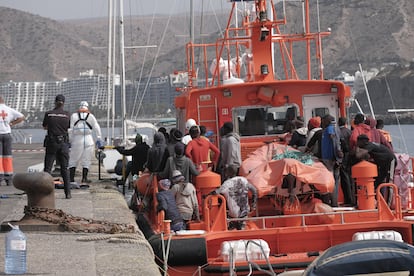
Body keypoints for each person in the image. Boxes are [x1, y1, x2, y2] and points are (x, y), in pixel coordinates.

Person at [42, 94, 71, 198]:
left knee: (48, 169)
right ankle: (68, 193)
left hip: (52, 142)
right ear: (64, 103)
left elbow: (45, 126)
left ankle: (45, 193)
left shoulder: (49, 114)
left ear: (55, 102)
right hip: (63, 143)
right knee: (65, 168)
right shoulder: (67, 114)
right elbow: (68, 127)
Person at [68, 101, 103, 184]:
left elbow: (70, 129)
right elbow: (97, 127)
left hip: (77, 139)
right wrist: (99, 138)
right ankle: (84, 178)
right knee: (86, 159)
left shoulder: (74, 116)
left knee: (73, 159)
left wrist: (70, 141)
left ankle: (71, 179)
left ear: (79, 107)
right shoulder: (91, 116)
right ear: (87, 107)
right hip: (88, 139)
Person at [213, 165, 258, 230]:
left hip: (233, 214)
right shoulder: (243, 180)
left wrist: (207, 195)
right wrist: (253, 205)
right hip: (244, 212)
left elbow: (216, 192)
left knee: (231, 231)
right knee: (243, 231)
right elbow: (254, 191)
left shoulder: (227, 184)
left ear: (228, 172)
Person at [0, 96, 25, 185]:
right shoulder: (8, 109)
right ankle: (8, 178)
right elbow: (22, 117)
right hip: (7, 134)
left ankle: (0, 177)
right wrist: (12, 123)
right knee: (7, 156)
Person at [320, 115, 342, 207]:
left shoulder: (329, 129)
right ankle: (334, 201)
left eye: (323, 120)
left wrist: (336, 157)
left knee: (330, 180)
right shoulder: (335, 128)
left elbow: (334, 142)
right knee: (335, 180)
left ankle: (332, 202)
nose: (322, 122)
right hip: (331, 158)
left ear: (327, 121)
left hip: (329, 159)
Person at [338, 117, 355, 206]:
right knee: (350, 178)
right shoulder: (350, 132)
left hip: (344, 156)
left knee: (344, 179)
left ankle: (348, 200)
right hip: (351, 156)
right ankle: (352, 198)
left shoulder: (339, 132)